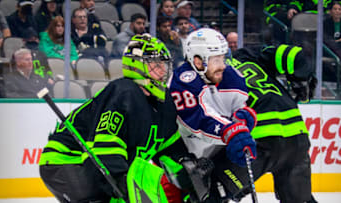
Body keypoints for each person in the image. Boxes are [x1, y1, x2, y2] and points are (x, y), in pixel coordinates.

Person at [39, 34, 194, 202]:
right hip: (66, 159)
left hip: (97, 165)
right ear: (136, 66)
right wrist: (120, 178)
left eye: (163, 65)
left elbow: (171, 150)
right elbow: (105, 145)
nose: (163, 71)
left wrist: (189, 171)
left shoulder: (164, 103)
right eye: (156, 65)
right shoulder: (124, 92)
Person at [168, 28, 257, 202]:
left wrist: (242, 116)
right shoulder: (182, 80)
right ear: (198, 61)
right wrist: (230, 130)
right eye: (216, 60)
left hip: (215, 156)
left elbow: (241, 105)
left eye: (223, 58)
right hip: (183, 156)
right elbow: (197, 119)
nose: (223, 65)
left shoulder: (229, 76)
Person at [226, 44, 318, 202]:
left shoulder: (209, 72)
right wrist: (302, 78)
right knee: (300, 200)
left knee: (216, 189)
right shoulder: (248, 54)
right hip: (296, 134)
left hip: (260, 139)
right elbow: (292, 53)